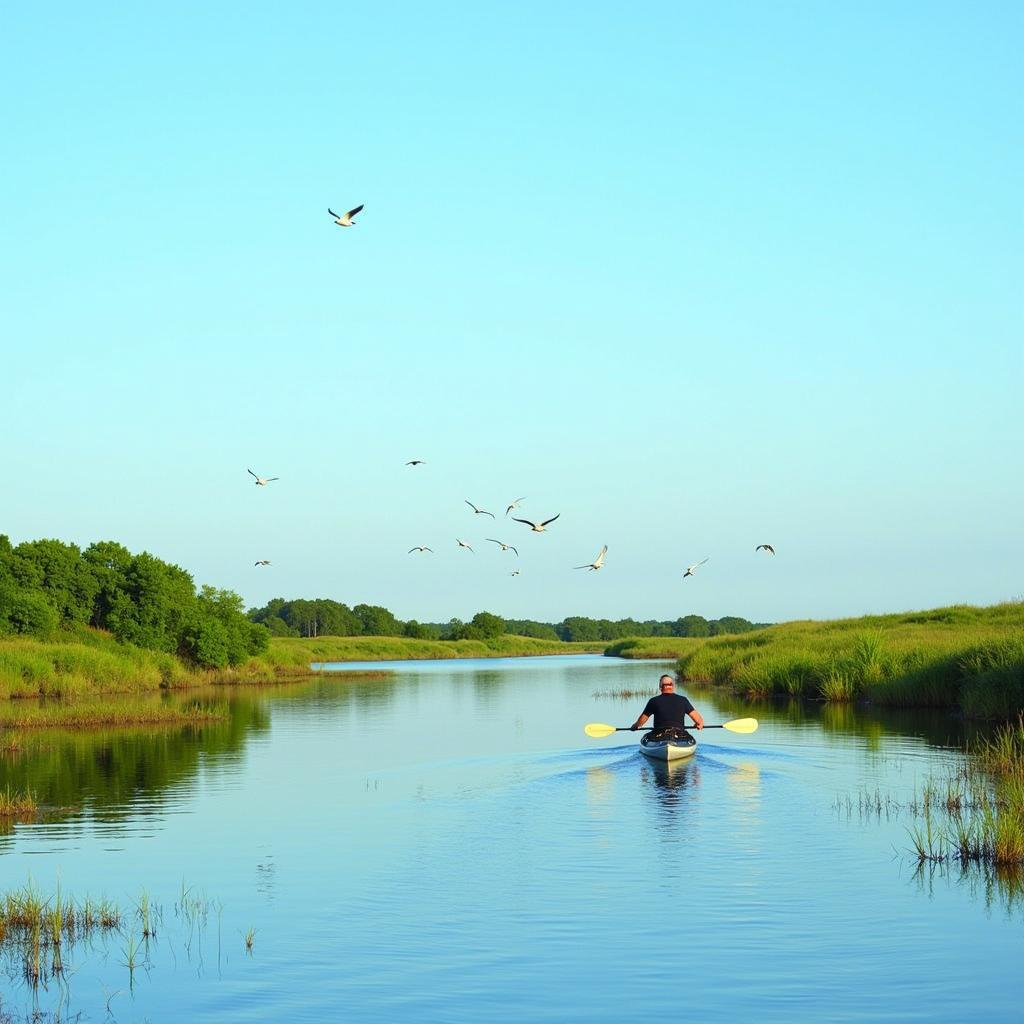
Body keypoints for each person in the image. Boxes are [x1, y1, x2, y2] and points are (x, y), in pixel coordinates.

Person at [630, 674, 704, 739]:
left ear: (660, 687)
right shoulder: (683, 700)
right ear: (673, 686)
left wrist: (634, 726)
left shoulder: (653, 701)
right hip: (678, 734)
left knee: (646, 737)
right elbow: (699, 720)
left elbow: (641, 722)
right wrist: (698, 724)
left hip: (659, 734)